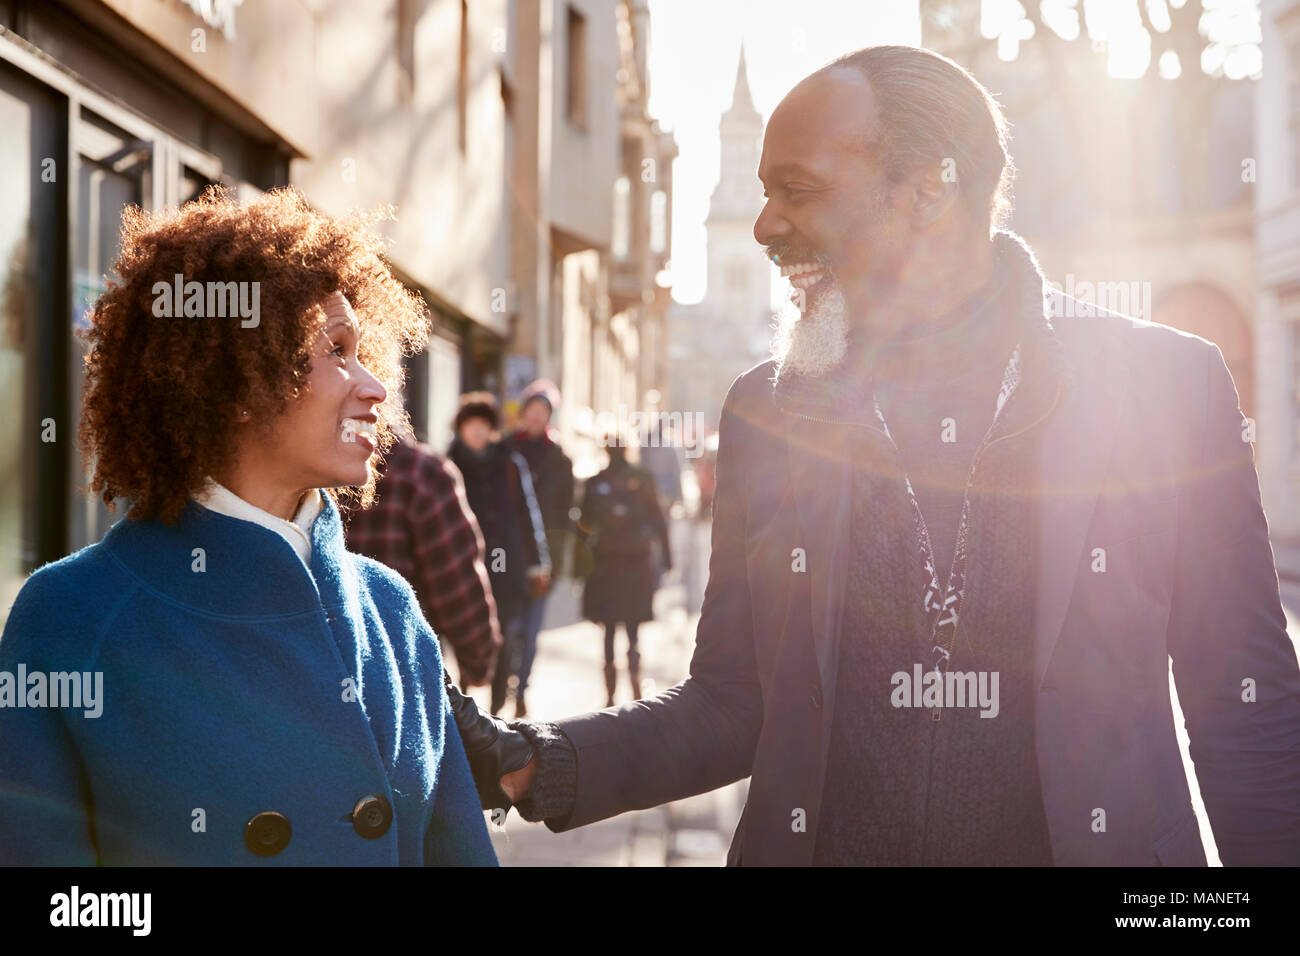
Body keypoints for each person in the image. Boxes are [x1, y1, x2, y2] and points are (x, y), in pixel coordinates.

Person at [448, 45, 1300, 866]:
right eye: (764, 192)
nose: (764, 226)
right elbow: (734, 700)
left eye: (800, 192)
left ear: (928, 191)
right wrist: (541, 760)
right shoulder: (768, 406)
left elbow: (1248, 714)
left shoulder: (1164, 387)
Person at [0, 187, 496, 865]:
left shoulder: (390, 609)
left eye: (363, 349)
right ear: (237, 385)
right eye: (338, 350)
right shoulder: (70, 619)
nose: (375, 386)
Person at [344, 428, 504, 689]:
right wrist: (478, 659)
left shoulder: (302, 470)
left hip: (322, 678)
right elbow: (456, 582)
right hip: (405, 674)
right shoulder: (421, 472)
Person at [447, 392, 550, 717]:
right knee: (462, 630)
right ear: (461, 428)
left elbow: (528, 514)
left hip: (505, 561)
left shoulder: (509, 463)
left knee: (505, 634)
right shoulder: (449, 465)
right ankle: (463, 705)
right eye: (470, 425)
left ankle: (496, 710)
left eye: (483, 425)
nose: (477, 432)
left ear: (492, 429)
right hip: (462, 563)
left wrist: (537, 563)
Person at [571, 440, 673, 706]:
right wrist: (667, 557)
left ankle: (614, 694)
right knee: (630, 628)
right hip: (628, 564)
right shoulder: (636, 479)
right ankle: (630, 688)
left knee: (612, 628)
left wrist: (578, 565)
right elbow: (659, 520)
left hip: (613, 563)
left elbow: (583, 526)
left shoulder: (599, 482)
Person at [503, 382, 575, 717]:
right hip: (505, 554)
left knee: (530, 630)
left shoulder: (560, 459)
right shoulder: (503, 450)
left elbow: (566, 516)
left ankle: (522, 689)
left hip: (541, 558)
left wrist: (557, 562)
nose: (535, 417)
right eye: (530, 410)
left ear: (548, 417)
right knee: (509, 627)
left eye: (542, 412)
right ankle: (503, 682)